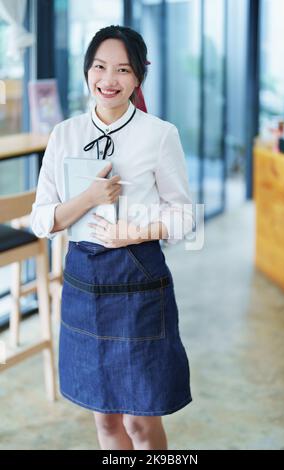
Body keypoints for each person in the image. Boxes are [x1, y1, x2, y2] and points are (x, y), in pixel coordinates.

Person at [30, 25, 194, 451]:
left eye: (123, 69)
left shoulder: (159, 135)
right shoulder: (64, 134)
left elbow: (185, 218)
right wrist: (87, 197)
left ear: (138, 78)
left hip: (140, 287)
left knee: (140, 423)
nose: (109, 79)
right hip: (84, 287)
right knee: (105, 424)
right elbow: (41, 220)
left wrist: (133, 233)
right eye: (100, 67)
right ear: (87, 71)